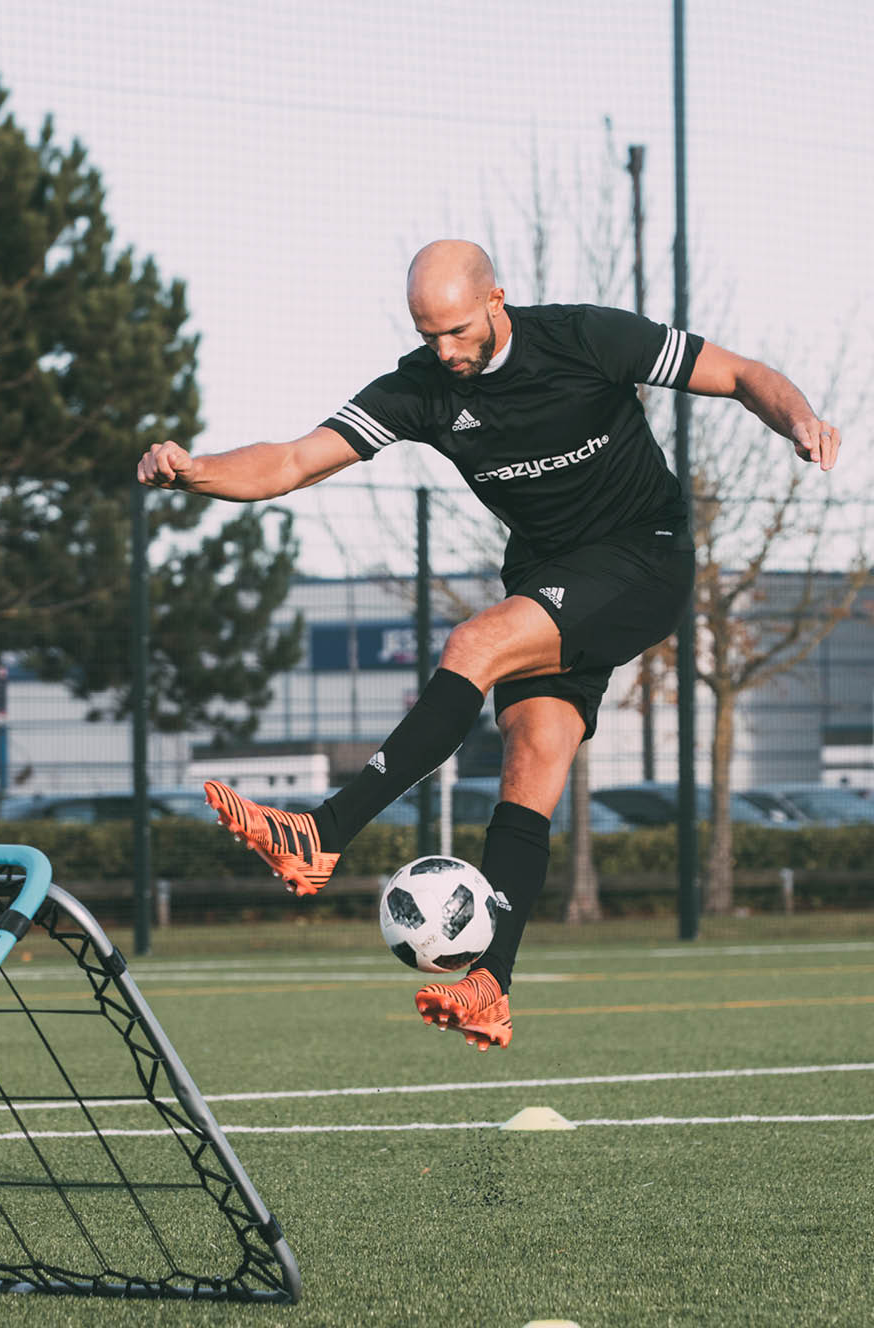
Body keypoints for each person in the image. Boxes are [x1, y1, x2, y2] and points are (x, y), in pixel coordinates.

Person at [135, 239, 841, 1052]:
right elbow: (293, 461)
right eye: (428, 333)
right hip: (547, 572)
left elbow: (745, 373)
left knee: (476, 640)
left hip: (645, 556)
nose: (445, 350)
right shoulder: (423, 388)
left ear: (496, 299)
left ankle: (323, 833)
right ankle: (489, 987)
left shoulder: (586, 337)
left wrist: (801, 420)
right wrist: (195, 471)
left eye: (459, 330)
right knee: (532, 756)